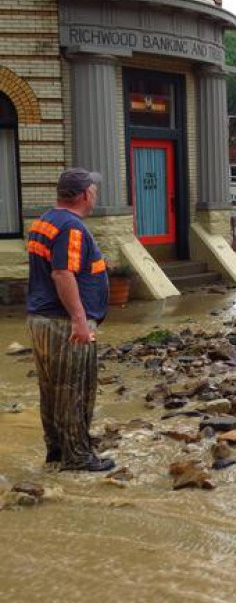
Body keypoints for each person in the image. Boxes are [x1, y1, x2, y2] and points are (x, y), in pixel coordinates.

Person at [26, 168, 115, 472]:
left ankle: (57, 451)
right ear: (83, 195)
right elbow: (62, 273)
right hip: (65, 323)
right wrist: (79, 319)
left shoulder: (45, 221)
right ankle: (77, 456)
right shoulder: (71, 228)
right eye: (94, 190)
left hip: (42, 320)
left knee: (52, 389)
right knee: (74, 389)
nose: (96, 195)